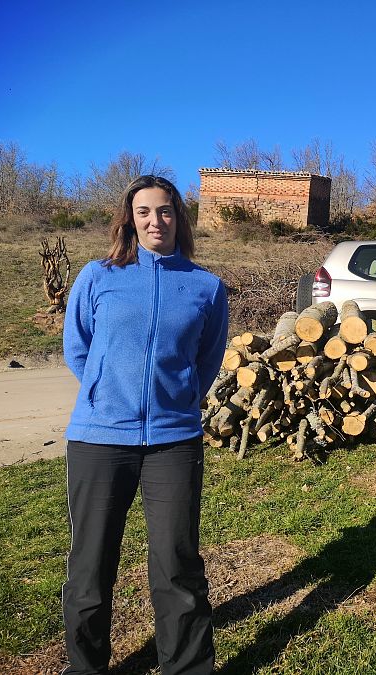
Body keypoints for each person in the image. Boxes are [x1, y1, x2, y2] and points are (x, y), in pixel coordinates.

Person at [61, 175, 229, 674]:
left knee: (177, 564)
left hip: (174, 442)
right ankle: (85, 667)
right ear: (130, 220)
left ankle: (187, 667)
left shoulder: (205, 287)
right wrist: (106, 392)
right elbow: (78, 348)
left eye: (165, 211)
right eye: (144, 212)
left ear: (179, 216)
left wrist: (176, 400)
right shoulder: (98, 276)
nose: (156, 221)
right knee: (90, 565)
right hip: (99, 438)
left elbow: (208, 358)